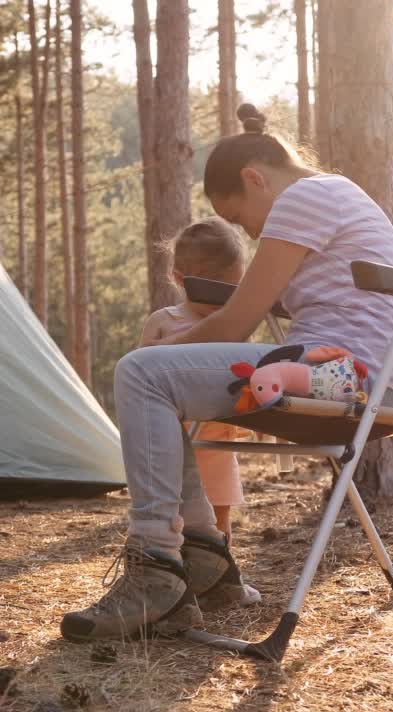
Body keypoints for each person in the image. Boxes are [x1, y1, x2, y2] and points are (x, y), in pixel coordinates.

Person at [60, 104, 393, 642]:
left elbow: (241, 318)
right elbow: (253, 309)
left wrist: (170, 346)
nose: (246, 231)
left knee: (142, 374)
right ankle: (202, 556)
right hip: (339, 370)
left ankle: (156, 565)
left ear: (256, 179)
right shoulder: (332, 194)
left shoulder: (304, 198)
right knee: (155, 376)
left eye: (240, 216)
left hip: (347, 375)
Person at [138, 217, 261, 607]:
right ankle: (177, 582)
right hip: (175, 442)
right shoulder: (165, 321)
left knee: (220, 519)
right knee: (176, 517)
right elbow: (141, 375)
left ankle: (223, 582)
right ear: (179, 277)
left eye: (232, 288)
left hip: (219, 442)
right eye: (210, 286)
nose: (221, 298)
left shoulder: (232, 324)